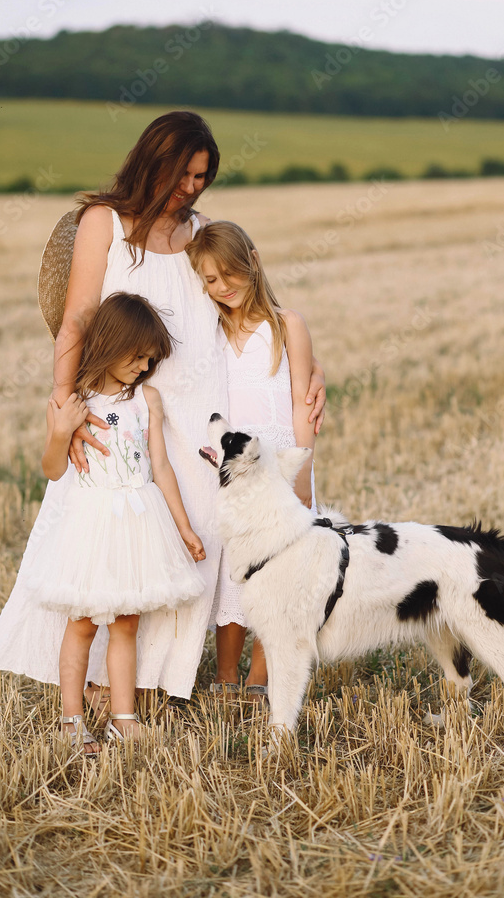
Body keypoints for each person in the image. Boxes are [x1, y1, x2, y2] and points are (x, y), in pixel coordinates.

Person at [0, 110, 326, 710]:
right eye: (184, 173)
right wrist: (63, 407)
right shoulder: (104, 223)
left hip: (199, 415)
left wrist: (307, 369)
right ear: (154, 161)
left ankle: (157, 678)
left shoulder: (203, 230)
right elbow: (78, 319)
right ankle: (93, 681)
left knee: (186, 548)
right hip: (122, 411)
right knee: (109, 540)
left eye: (203, 176)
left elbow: (244, 306)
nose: (193, 187)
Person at [0, 293, 206, 752]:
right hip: (91, 525)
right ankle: (72, 721)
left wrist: (185, 528)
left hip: (139, 522)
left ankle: (122, 718)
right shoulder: (75, 401)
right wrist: (59, 430)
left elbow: (161, 468)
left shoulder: (146, 400)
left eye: (151, 359)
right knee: (83, 624)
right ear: (111, 343)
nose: (144, 365)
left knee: (127, 623)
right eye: (138, 355)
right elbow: (53, 468)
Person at [186, 220, 317, 703]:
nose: (223, 288)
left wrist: (301, 474)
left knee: (277, 570)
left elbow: (304, 402)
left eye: (230, 274)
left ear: (254, 262)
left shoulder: (287, 326)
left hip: (280, 465)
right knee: (233, 571)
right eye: (211, 281)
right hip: (233, 470)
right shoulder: (211, 333)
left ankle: (260, 679)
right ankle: (225, 678)